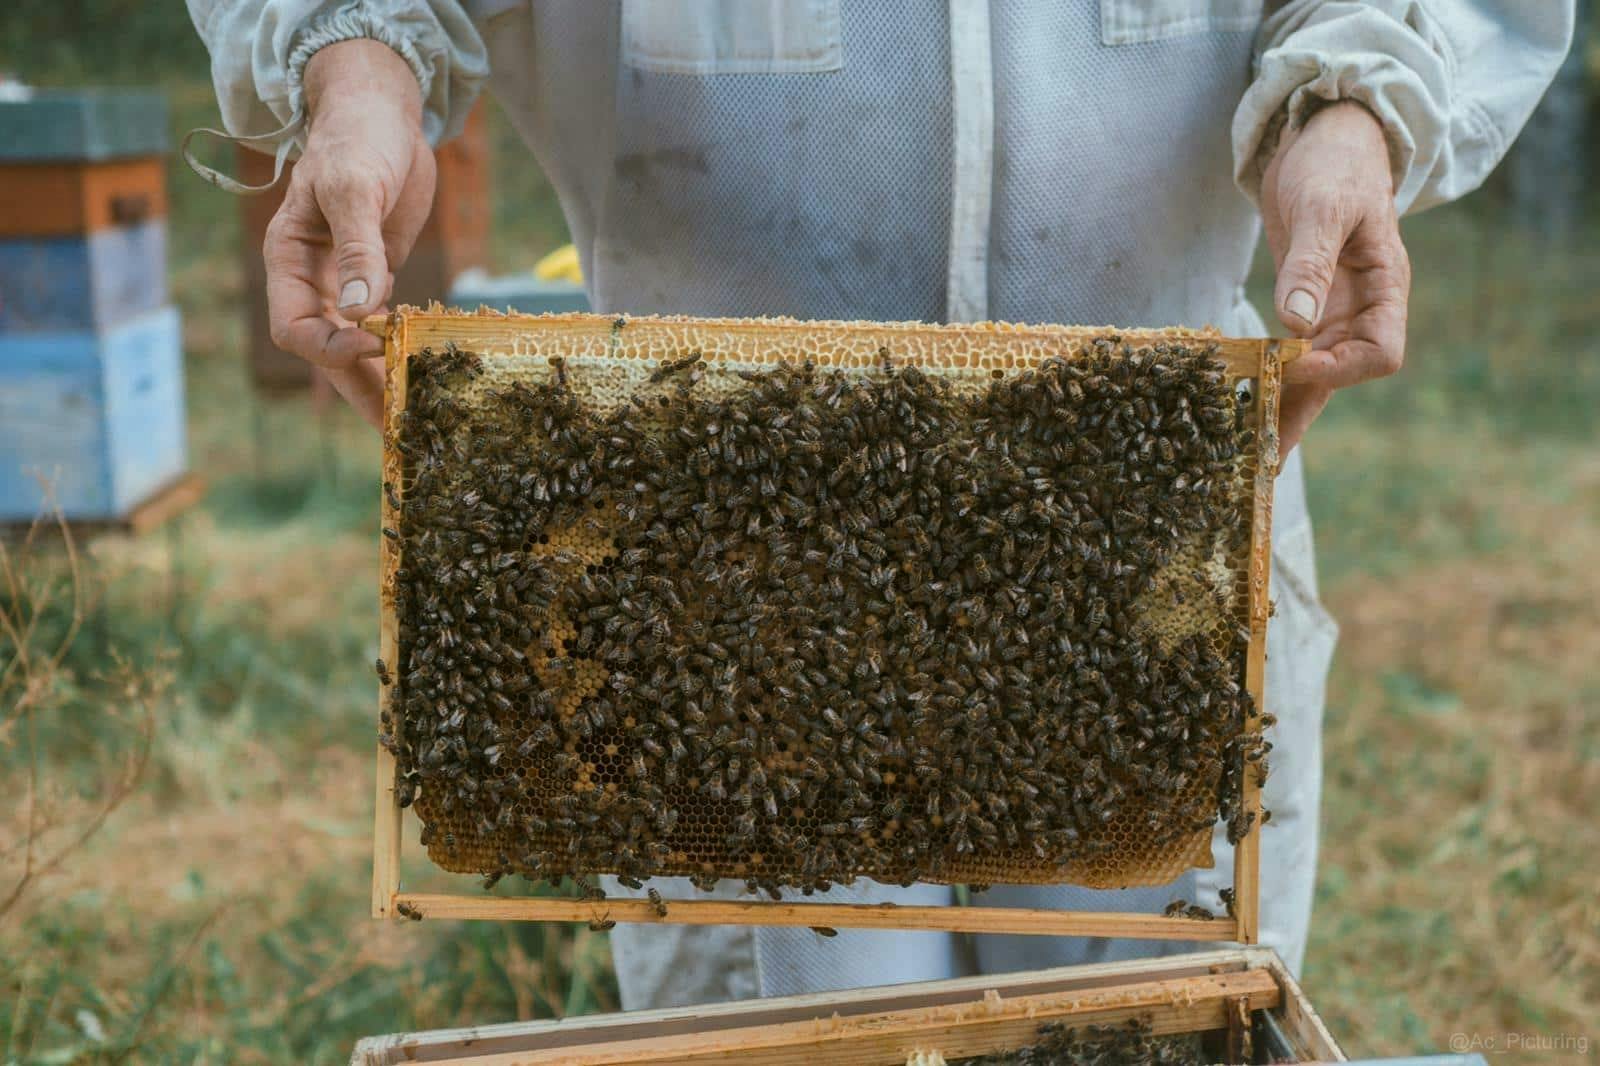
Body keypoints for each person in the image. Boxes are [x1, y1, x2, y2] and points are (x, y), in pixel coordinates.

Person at [187, 0, 1571, 1010]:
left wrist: (1353, 107)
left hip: (1151, 536)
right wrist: (354, 68)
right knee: (783, 1029)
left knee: (1149, 1020)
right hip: (710, 555)